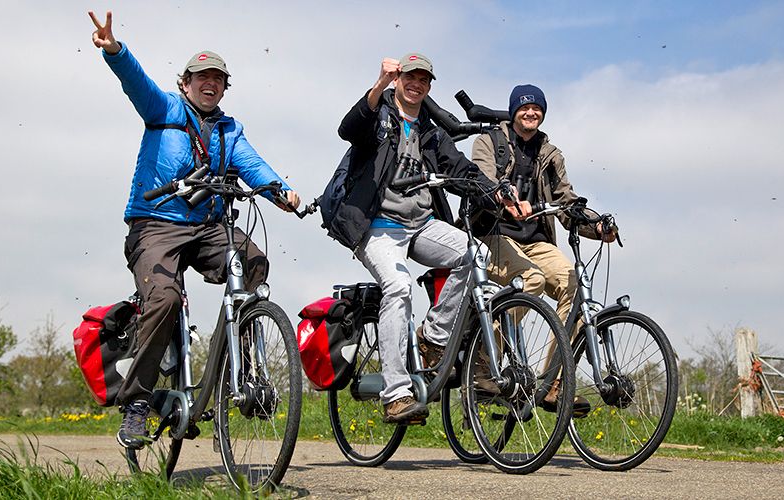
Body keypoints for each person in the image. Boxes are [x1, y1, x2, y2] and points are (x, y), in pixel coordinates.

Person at [89, 11, 301, 449]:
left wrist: (281, 192)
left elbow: (254, 167)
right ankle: (138, 405)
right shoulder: (164, 108)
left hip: (208, 226)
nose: (210, 84)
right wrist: (115, 50)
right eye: (201, 77)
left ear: (224, 88)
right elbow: (138, 83)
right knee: (164, 298)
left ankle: (243, 372)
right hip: (156, 226)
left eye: (218, 79)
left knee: (253, 261)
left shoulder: (230, 130)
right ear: (186, 82)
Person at [334, 53, 519, 424]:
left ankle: (433, 338)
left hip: (420, 223)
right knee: (399, 287)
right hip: (376, 226)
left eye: (424, 79)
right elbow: (349, 128)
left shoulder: (431, 131)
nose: (416, 84)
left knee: (475, 254)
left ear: (429, 86)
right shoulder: (381, 116)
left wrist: (495, 192)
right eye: (409, 77)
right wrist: (378, 86)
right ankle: (396, 394)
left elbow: (460, 167)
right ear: (398, 79)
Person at [470, 84, 615, 414]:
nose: (530, 112)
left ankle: (553, 384)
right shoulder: (490, 142)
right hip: (493, 236)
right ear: (513, 112)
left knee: (574, 286)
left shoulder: (549, 153)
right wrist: (504, 197)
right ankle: (483, 354)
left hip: (536, 241)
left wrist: (597, 227)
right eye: (523, 107)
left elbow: (567, 203)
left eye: (536, 108)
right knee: (530, 280)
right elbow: (481, 179)